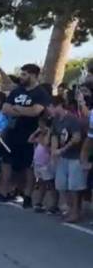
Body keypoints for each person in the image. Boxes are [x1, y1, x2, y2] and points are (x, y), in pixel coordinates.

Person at [0, 63, 51, 208]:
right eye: (21, 74)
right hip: (12, 135)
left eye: (24, 74)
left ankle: (27, 196)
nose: (21, 77)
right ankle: (2, 194)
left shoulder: (41, 93)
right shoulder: (17, 91)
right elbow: (5, 108)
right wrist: (23, 110)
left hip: (30, 136)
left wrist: (17, 109)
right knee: (6, 164)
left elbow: (36, 111)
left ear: (34, 76)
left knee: (28, 168)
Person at [51, 95, 88, 223]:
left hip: (74, 157)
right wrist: (54, 153)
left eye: (51, 107)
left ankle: (75, 212)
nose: (49, 110)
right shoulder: (55, 120)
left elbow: (76, 137)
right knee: (62, 184)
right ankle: (69, 209)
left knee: (74, 186)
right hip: (63, 157)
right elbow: (55, 135)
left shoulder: (72, 119)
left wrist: (63, 149)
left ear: (58, 106)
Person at [29, 110, 57, 214]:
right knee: (41, 184)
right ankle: (39, 203)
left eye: (42, 125)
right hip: (38, 164)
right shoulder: (38, 136)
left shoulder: (49, 138)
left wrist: (48, 132)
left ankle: (54, 205)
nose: (40, 127)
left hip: (47, 164)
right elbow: (30, 139)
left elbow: (46, 144)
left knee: (50, 184)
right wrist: (36, 131)